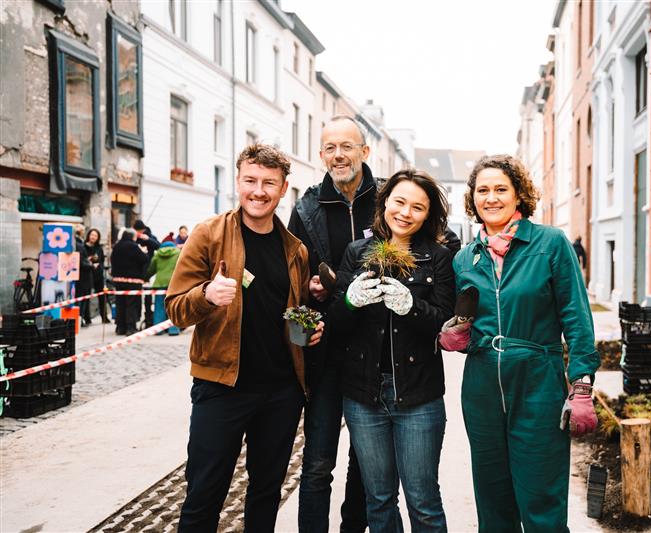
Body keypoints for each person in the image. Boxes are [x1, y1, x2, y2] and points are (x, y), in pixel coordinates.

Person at [166, 143, 323, 532]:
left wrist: (311, 324)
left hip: (281, 391)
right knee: (204, 492)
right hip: (221, 384)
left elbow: (293, 313)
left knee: (266, 490)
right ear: (238, 182)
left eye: (269, 183)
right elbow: (175, 307)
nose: (259, 191)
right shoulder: (209, 235)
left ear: (284, 188)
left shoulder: (295, 250)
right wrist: (206, 295)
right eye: (251, 180)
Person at [439, 155, 599, 532]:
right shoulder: (465, 258)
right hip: (481, 386)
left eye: (500, 189)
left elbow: (576, 317)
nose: (491, 198)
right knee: (493, 500)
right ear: (473, 198)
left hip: (537, 382)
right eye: (483, 190)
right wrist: (455, 336)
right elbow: (462, 321)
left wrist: (582, 385)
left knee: (542, 498)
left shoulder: (550, 243)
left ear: (518, 195)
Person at [327, 169, 454, 531]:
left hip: (419, 395)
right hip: (364, 396)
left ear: (428, 215)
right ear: (385, 204)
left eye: (418, 206)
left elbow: (445, 324)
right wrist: (349, 301)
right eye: (399, 202)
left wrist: (410, 305)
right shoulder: (357, 252)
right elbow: (334, 324)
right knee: (378, 499)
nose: (405, 212)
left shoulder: (438, 257)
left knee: (423, 500)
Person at [287, 115, 375, 533]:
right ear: (321, 154)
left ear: (364, 151)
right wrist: (310, 291)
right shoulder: (305, 209)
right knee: (318, 464)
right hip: (325, 353)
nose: (338, 155)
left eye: (347, 146)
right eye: (329, 148)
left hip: (376, 354)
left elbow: (428, 250)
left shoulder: (390, 200)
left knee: (366, 464)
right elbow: (290, 281)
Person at [110, 228, 149, 335]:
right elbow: (144, 259)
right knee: (131, 304)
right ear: (132, 237)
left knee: (120, 303)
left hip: (118, 280)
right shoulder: (133, 246)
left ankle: (120, 327)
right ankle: (130, 327)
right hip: (133, 281)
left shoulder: (117, 247)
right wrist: (144, 251)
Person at [147, 241, 181, 335]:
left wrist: (145, 277)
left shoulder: (157, 254)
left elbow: (151, 269)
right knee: (173, 306)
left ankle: (158, 330)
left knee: (159, 307)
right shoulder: (178, 253)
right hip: (173, 284)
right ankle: (173, 330)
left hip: (159, 284)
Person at [133, 219, 160, 328]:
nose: (139, 233)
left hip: (148, 270)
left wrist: (148, 239)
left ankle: (148, 317)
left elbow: (158, 246)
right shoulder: (133, 237)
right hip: (135, 271)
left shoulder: (149, 236)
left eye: (140, 231)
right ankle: (136, 317)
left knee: (148, 296)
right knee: (136, 297)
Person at [84, 228, 110, 323]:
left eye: (95, 235)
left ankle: (104, 317)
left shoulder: (99, 248)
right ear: (88, 236)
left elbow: (102, 260)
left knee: (103, 297)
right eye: (92, 235)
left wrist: (100, 266)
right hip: (87, 274)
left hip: (98, 275)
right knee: (86, 297)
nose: (93, 237)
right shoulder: (84, 247)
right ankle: (87, 318)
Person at [73, 224, 94, 327]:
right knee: (82, 299)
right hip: (83, 277)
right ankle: (79, 320)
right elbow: (81, 262)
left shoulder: (76, 244)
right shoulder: (79, 245)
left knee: (81, 299)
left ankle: (80, 319)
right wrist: (91, 265)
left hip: (80, 276)